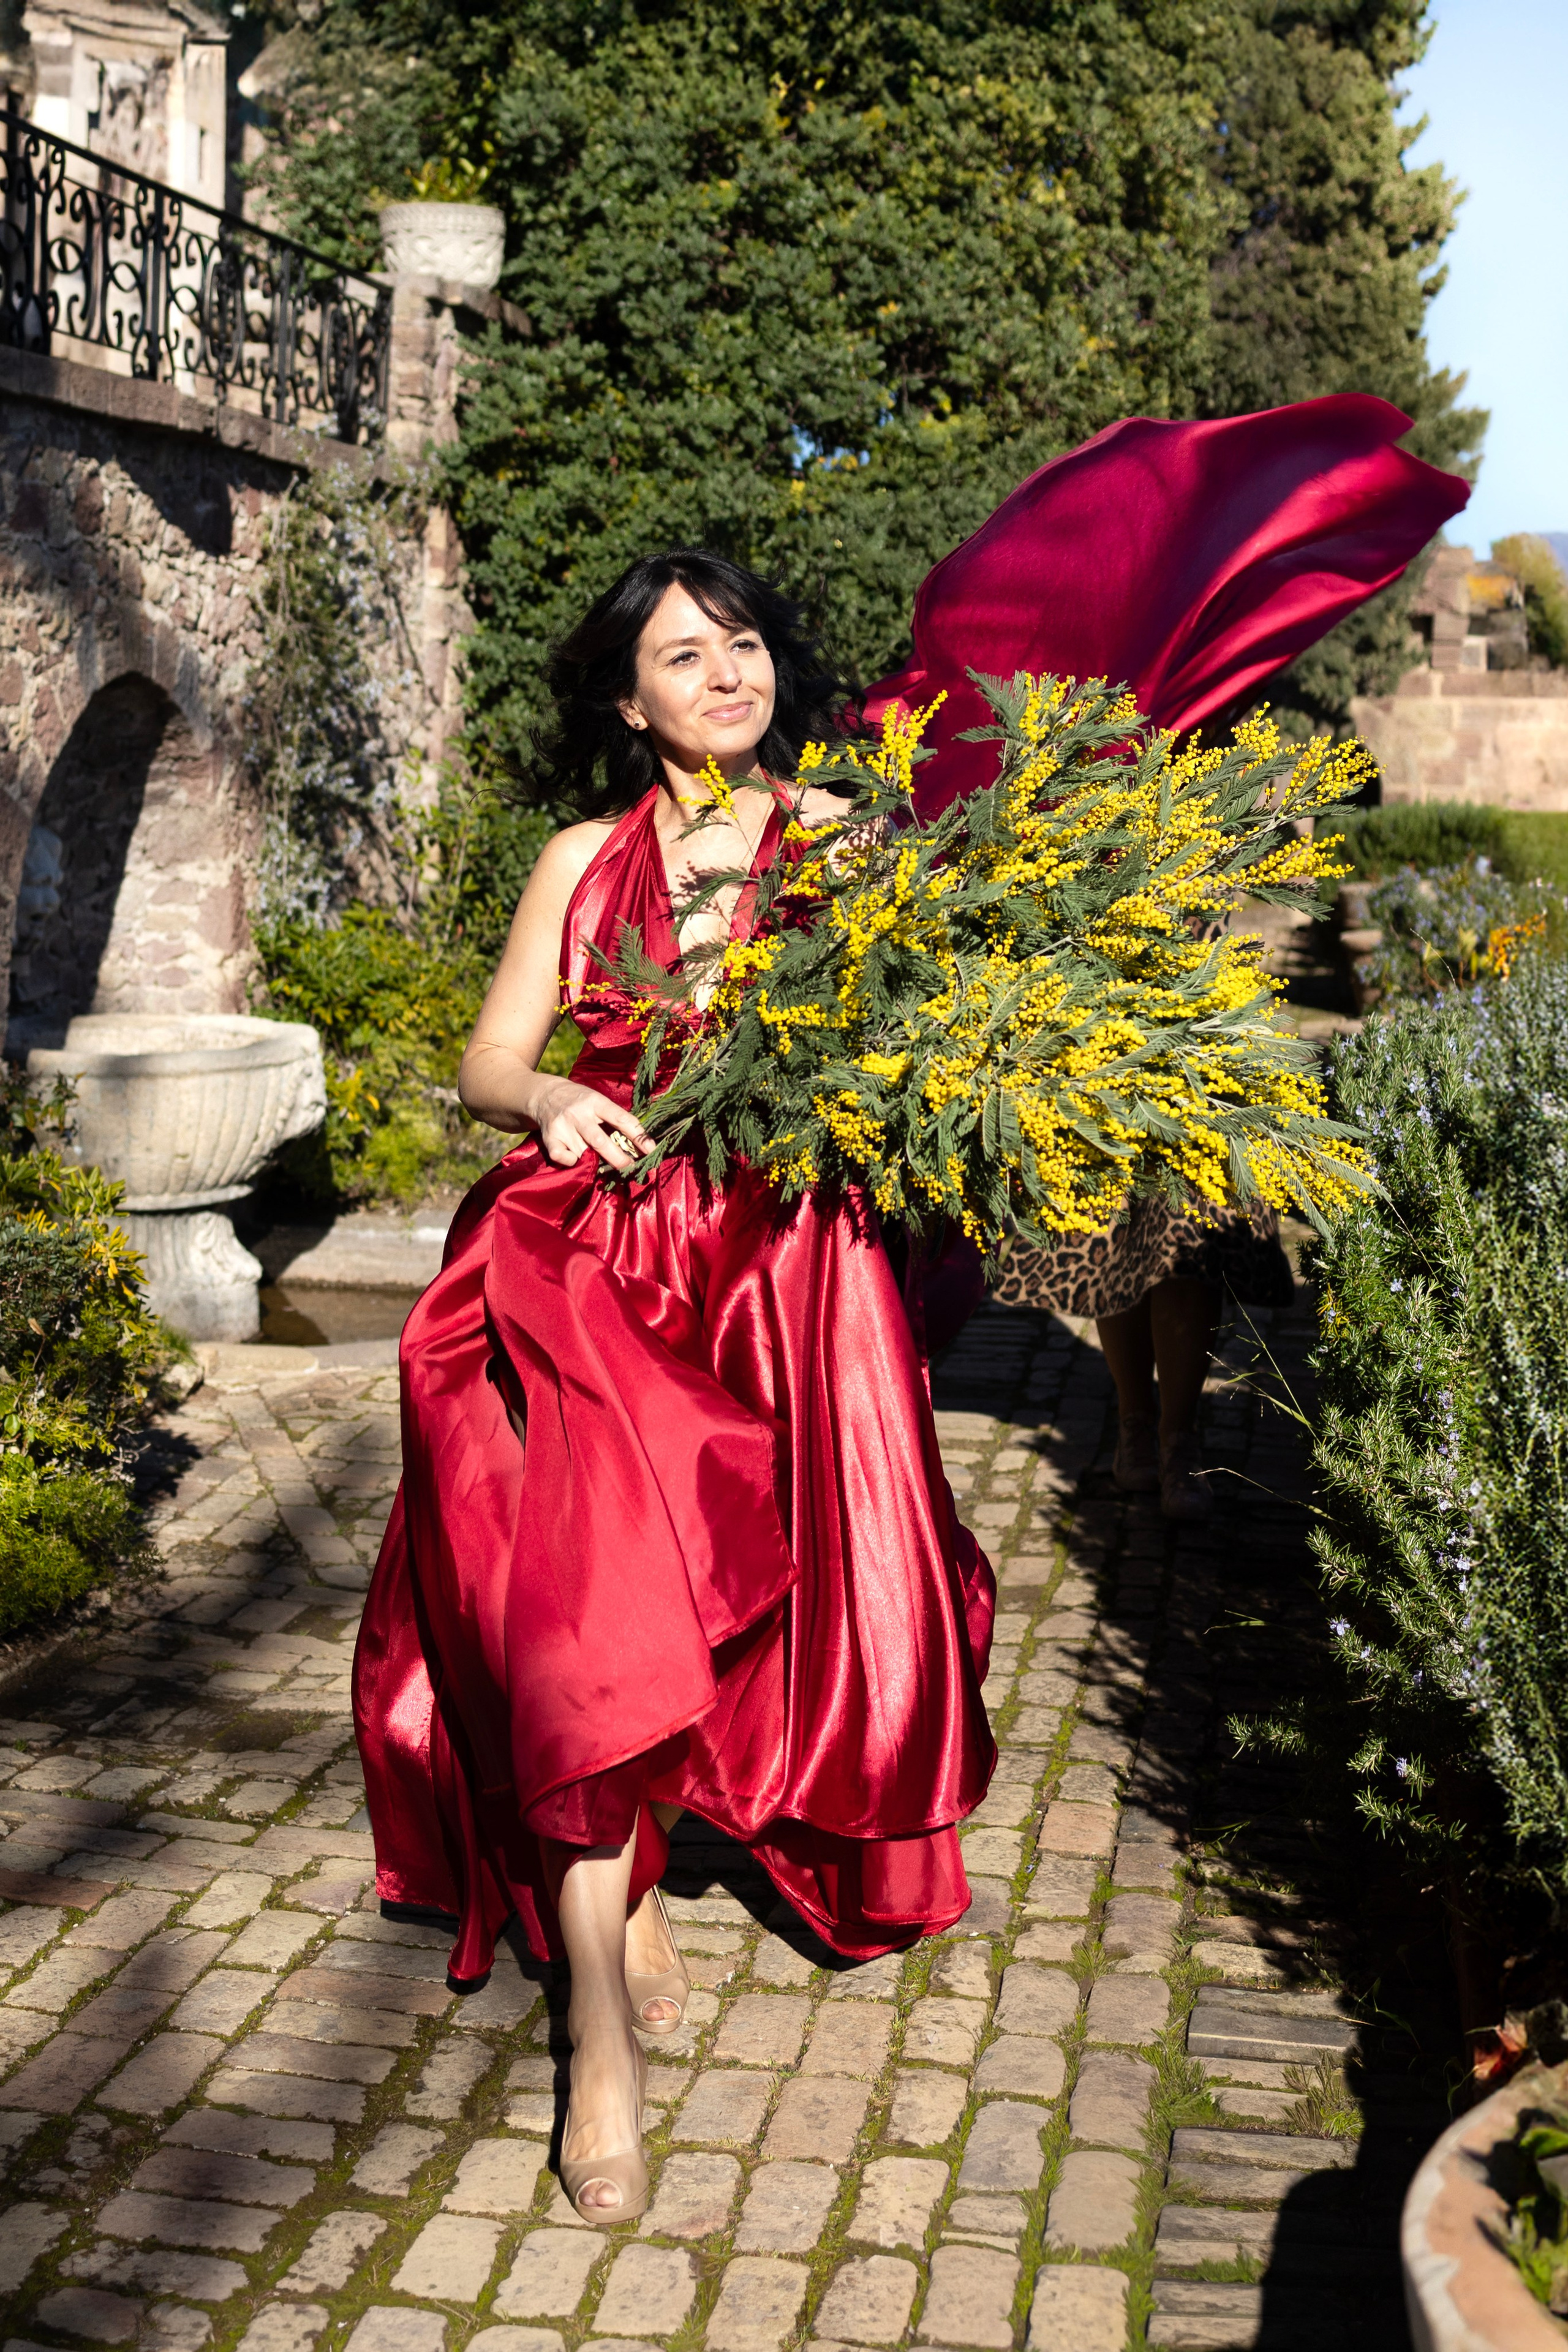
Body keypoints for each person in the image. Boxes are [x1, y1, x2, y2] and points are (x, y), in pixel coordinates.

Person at [353, 552, 997, 2228]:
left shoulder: (852, 841)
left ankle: (644, 1872)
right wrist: (556, 1098)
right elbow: (492, 1059)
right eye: (681, 655)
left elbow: (934, 1046)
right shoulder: (582, 861)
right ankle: (596, 2032)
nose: (725, 674)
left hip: (792, 1275)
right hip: (597, 1271)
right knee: (586, 1620)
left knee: (777, 1608)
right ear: (628, 701)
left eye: (745, 645)